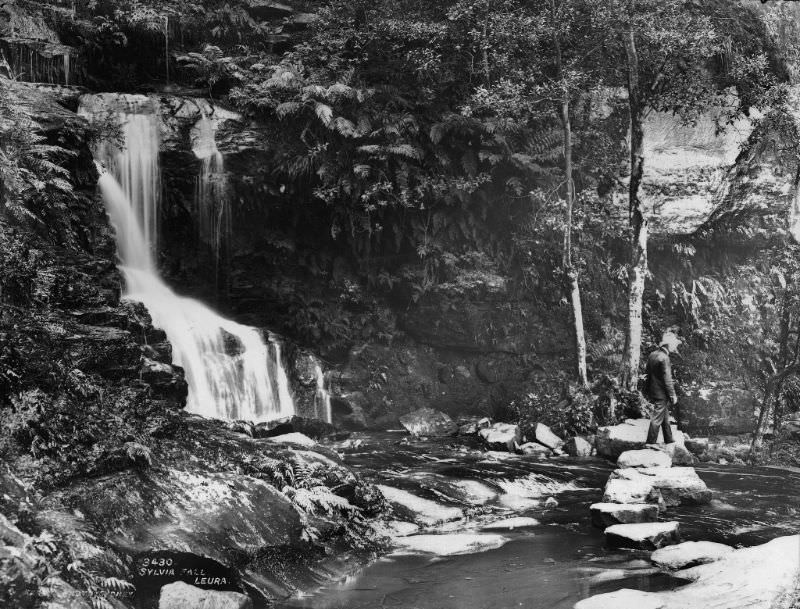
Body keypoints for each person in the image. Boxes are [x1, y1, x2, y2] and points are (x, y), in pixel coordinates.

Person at [643, 331, 681, 445]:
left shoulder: (652, 355)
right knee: (657, 418)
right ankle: (650, 443)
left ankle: (669, 439)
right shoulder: (665, 358)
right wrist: (672, 395)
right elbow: (667, 379)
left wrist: (646, 391)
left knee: (664, 415)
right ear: (668, 345)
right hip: (661, 393)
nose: (675, 347)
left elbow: (647, 375)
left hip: (653, 391)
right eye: (674, 344)